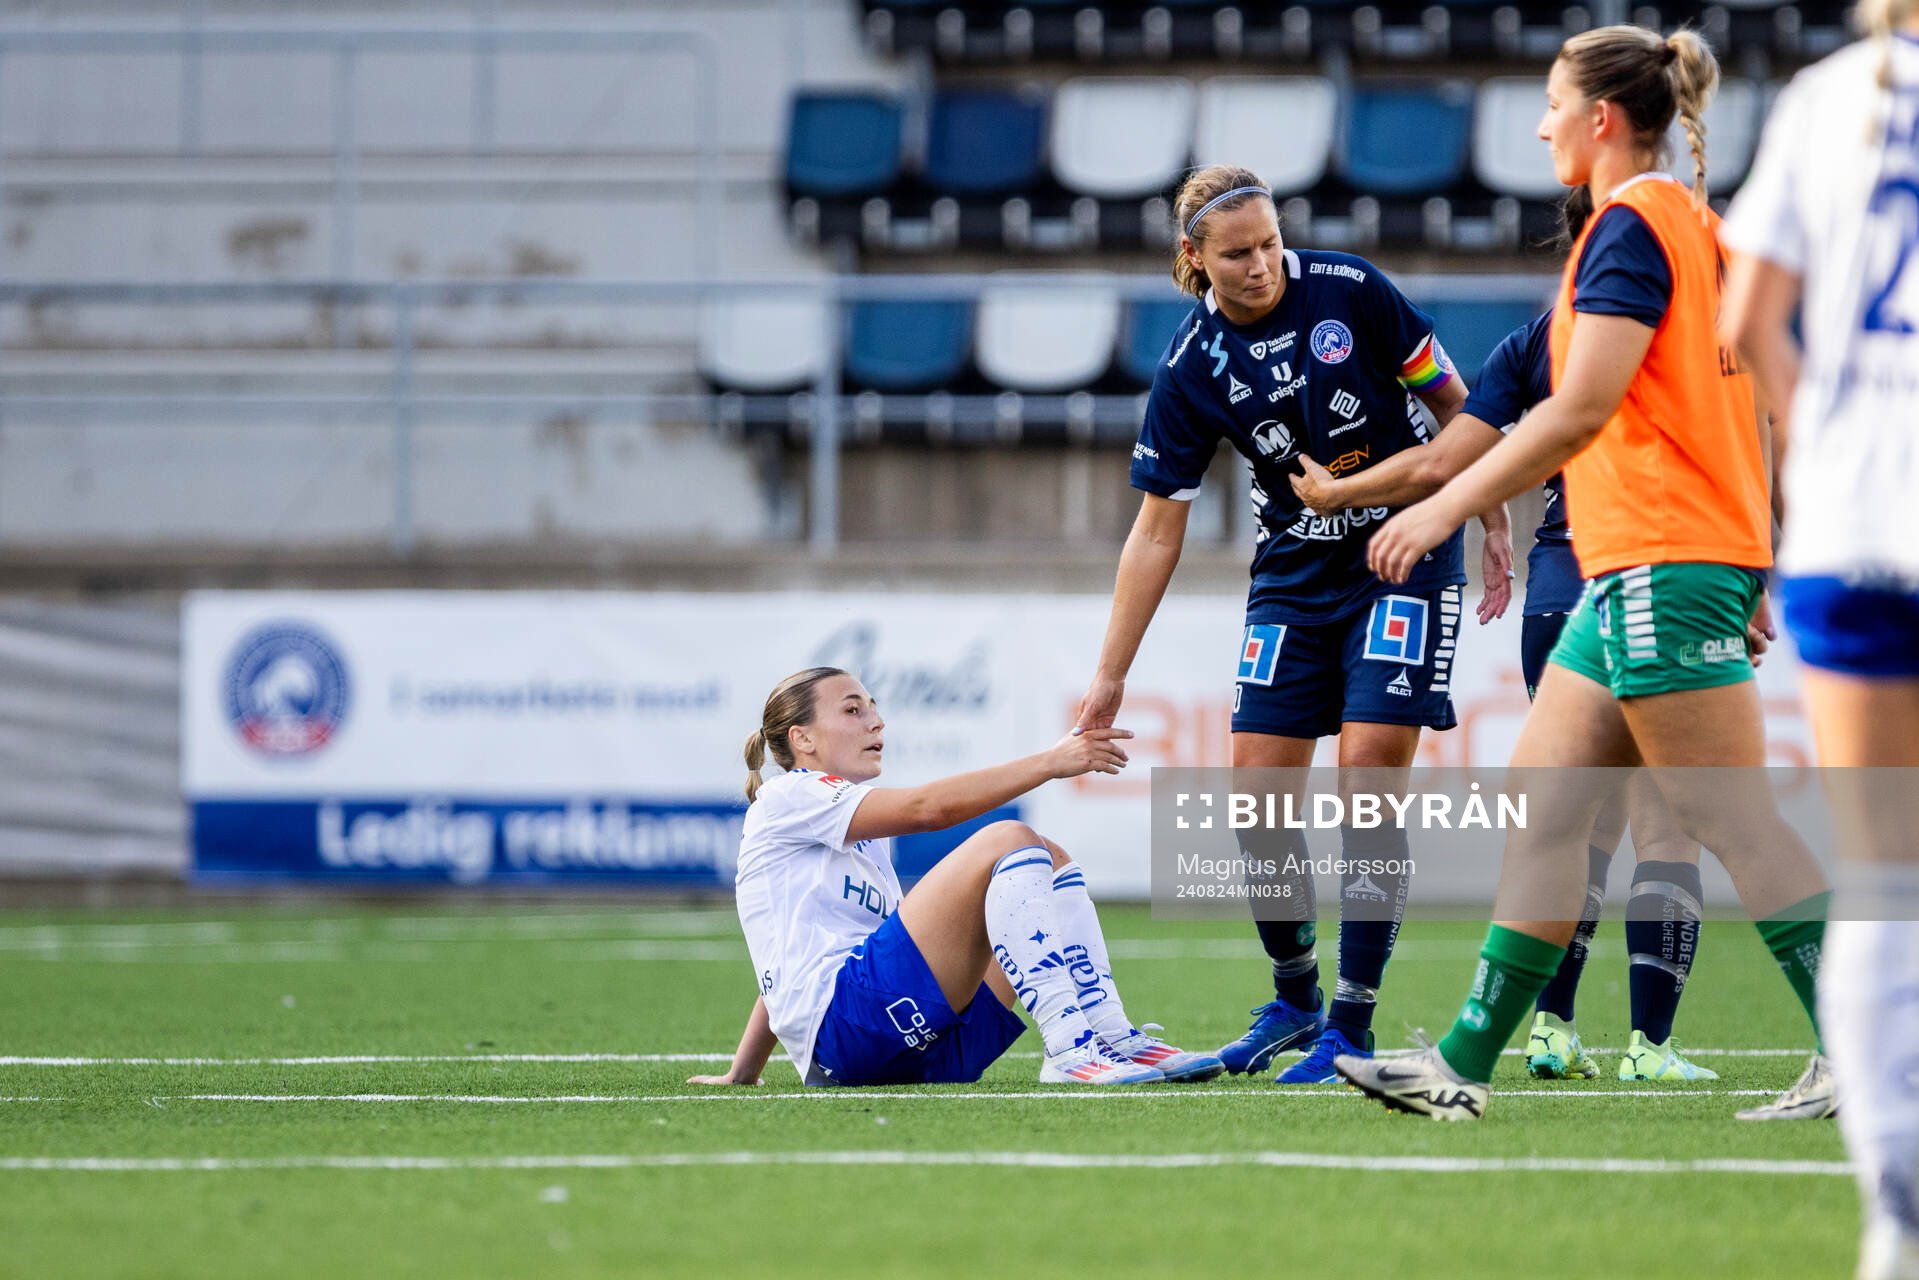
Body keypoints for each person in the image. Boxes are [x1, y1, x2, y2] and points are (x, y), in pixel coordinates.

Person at [1331, 23, 1834, 1122]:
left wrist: (1442, 508)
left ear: (1600, 117)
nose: (1539, 122)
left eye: (1551, 103)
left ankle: (1871, 1046)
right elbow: (1746, 412)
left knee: (1731, 821)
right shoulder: (1692, 224)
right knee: (1546, 812)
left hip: (1655, 555)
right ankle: (1461, 1060)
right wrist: (1754, 555)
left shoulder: (1626, 225)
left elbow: (1579, 407)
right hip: (1643, 562)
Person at [1073, 162, 1511, 1085]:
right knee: (1255, 802)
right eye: (1237, 254)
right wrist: (1110, 675)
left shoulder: (1352, 291)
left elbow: (1449, 398)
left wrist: (1490, 512)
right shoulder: (1191, 367)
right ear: (1194, 258)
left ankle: (1349, 1025)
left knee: (1365, 781)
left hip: (1404, 550)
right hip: (1294, 571)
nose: (1264, 264)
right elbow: (1156, 529)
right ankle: (1294, 1000)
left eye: (1271, 242)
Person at [1292, 291, 1724, 1085]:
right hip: (1654, 573)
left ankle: (1549, 1032)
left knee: (1575, 822)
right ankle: (1649, 1049)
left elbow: (1447, 456)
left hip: (1556, 595)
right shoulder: (1691, 327)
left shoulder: (1531, 341)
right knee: (1667, 821)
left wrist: (1354, 498)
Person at [1721, 0, 1919, 1270]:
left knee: (1885, 875)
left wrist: (1826, 458)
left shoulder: (1819, 97)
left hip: (1853, 519)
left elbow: (1746, 327)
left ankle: (1892, 1210)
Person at [688, 666, 1223, 1090]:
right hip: (856, 1030)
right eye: (853, 710)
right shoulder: (789, 795)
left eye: (874, 708)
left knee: (1049, 857)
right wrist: (1049, 761)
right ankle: (1068, 1047)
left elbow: (780, 962)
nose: (876, 722)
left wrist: (745, 1069)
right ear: (800, 739)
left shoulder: (854, 830)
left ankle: (1108, 1032)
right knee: (1008, 839)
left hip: (901, 1047)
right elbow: (927, 808)